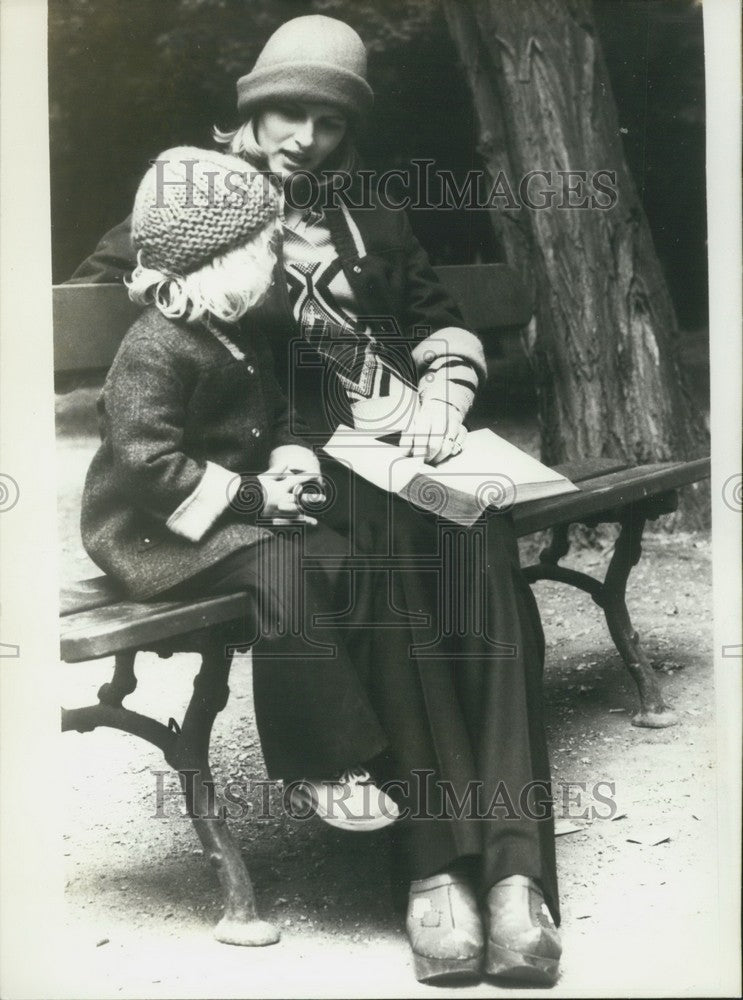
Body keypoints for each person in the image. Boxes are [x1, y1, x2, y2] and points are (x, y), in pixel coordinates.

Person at [71, 15, 562, 987]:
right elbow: (121, 302)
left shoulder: (368, 210)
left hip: (396, 440)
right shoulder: (195, 198)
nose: (306, 137)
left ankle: (513, 873)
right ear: (252, 110)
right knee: (388, 551)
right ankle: (433, 869)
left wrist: (441, 396)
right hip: (293, 463)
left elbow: (433, 319)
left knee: (477, 535)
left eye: (329, 122)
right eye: (288, 113)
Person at [80, 145, 402, 832]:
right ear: (218, 259)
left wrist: (292, 457)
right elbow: (146, 465)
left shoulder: (230, 327)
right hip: (153, 533)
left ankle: (376, 741)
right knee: (283, 572)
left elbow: (276, 411)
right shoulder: (155, 347)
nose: (275, 261)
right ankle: (319, 765)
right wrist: (255, 497)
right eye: (263, 248)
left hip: (227, 516)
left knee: (342, 560)